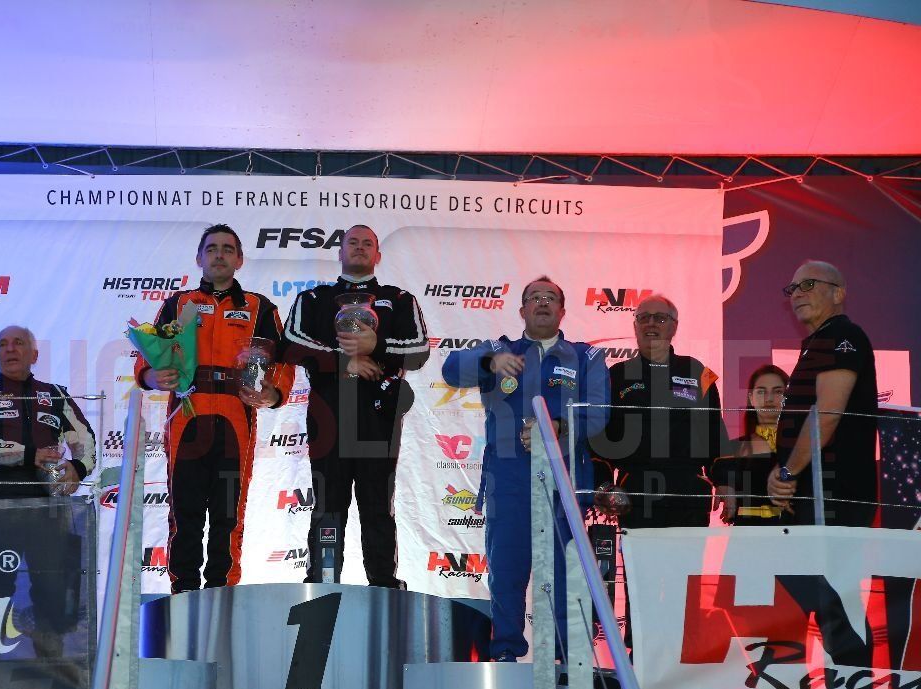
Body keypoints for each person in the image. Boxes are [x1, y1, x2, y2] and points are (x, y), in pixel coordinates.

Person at [441, 276, 608, 661]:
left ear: (563, 311)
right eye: (534, 297)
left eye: (551, 298)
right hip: (509, 481)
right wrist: (489, 362)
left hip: (564, 483)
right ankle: (505, 653)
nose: (542, 302)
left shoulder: (586, 357)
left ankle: (568, 660)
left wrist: (559, 428)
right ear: (522, 310)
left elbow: (599, 413)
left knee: (565, 574)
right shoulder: (501, 350)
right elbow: (451, 370)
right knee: (506, 572)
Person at [135, 224, 294, 593]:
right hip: (187, 413)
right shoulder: (178, 304)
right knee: (184, 511)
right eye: (211, 248)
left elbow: (282, 361)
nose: (219, 255)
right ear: (199, 258)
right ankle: (183, 593)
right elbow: (148, 354)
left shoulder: (259, 307)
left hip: (235, 416)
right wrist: (150, 376)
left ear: (239, 259)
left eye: (227, 249)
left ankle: (223, 594)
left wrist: (275, 394)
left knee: (229, 513)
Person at [282, 224, 429, 588]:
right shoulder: (314, 299)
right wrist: (344, 361)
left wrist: (376, 346)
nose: (360, 248)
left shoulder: (399, 299)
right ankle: (323, 583)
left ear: (378, 254)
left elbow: (418, 351)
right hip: (328, 414)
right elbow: (291, 345)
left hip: (379, 416)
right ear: (340, 251)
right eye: (353, 242)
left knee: (377, 505)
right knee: (328, 505)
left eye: (367, 243)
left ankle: (383, 585)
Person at [0, 325, 97, 661]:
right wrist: (26, 453)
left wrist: (78, 468)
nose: (10, 349)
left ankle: (51, 673)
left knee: (51, 587)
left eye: (18, 343)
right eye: (2, 344)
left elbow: (86, 440)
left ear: (34, 354)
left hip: (50, 502)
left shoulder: (55, 393)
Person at [594, 294, 733, 528]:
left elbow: (715, 432)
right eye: (643, 318)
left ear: (674, 327)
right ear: (635, 326)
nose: (650, 324)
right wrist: (603, 486)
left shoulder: (698, 371)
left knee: (687, 554)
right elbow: (599, 438)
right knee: (639, 554)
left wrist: (725, 482)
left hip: (689, 493)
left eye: (659, 318)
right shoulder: (615, 375)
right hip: (635, 494)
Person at [768, 261, 879, 526]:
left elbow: (826, 414)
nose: (797, 293)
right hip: (814, 494)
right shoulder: (818, 342)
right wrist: (782, 469)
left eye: (808, 284)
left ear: (837, 293)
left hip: (834, 494)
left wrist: (788, 473)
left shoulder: (842, 334)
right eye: (793, 288)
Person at [710, 365, 789, 526]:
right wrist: (724, 484)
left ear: (788, 398)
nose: (769, 399)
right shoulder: (732, 449)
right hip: (746, 535)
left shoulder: (808, 448)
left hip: (796, 534)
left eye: (778, 391)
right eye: (761, 391)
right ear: (751, 398)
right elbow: (716, 468)